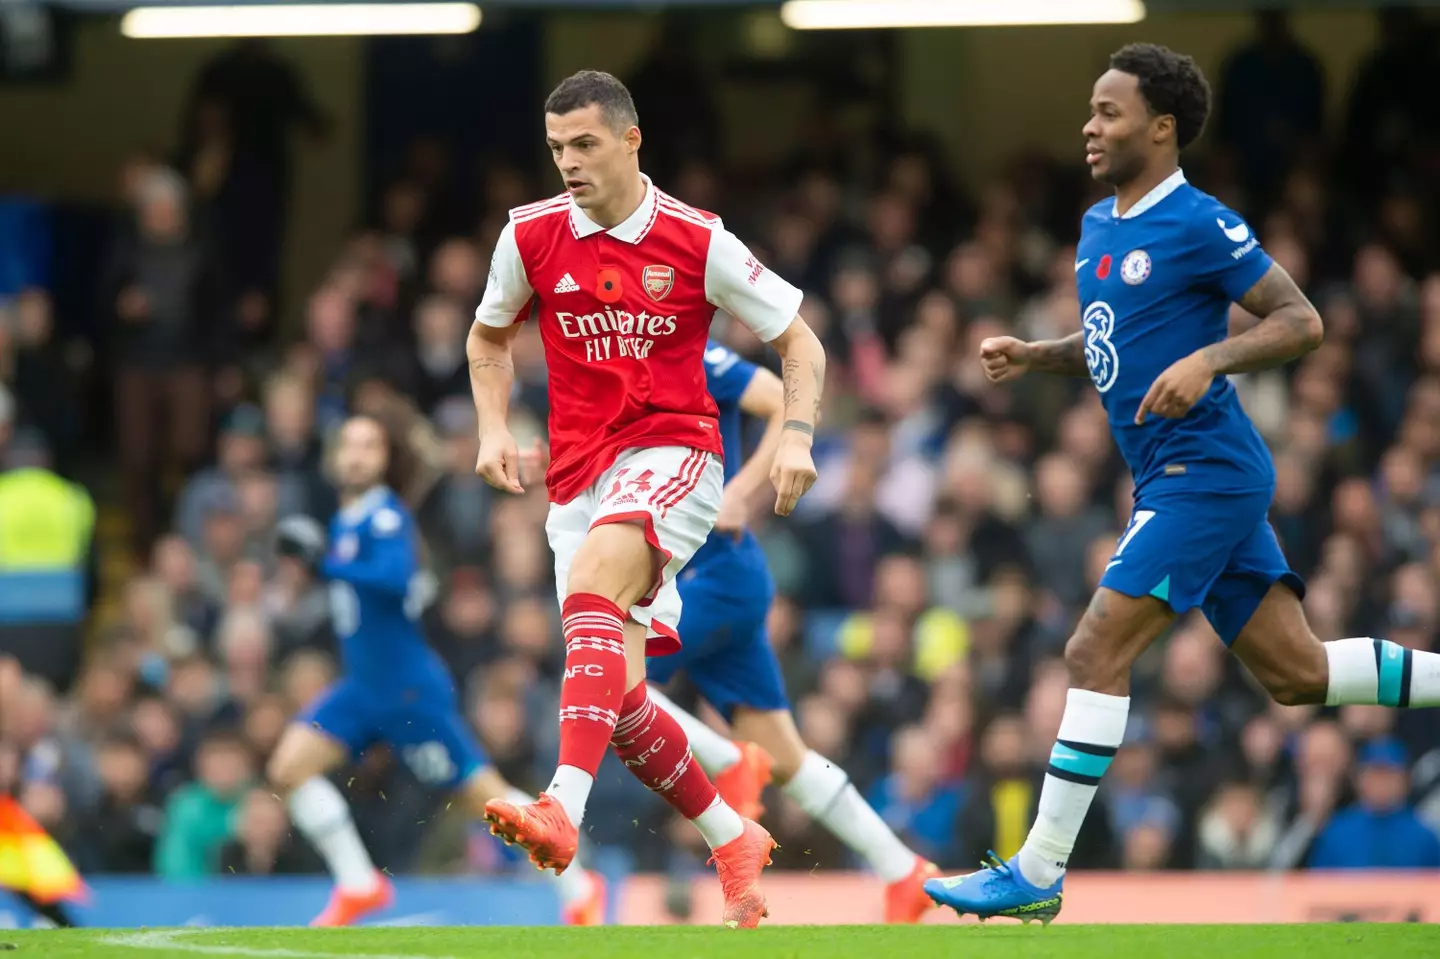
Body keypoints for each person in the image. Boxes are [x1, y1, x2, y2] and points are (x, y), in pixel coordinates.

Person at [925, 43, 1440, 924]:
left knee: (1093, 652)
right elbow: (1113, 344)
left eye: (1110, 112)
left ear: (1162, 130)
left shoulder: (1200, 222)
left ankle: (1040, 869)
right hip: (1180, 474)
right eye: (1091, 110)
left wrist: (1212, 356)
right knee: (1298, 672)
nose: (1090, 125)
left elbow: (1301, 321)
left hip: (1205, 472)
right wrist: (1039, 354)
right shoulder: (1098, 226)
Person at [468, 70, 826, 929]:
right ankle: (732, 833)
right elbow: (488, 335)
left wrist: (801, 435)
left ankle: (561, 806)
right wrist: (489, 427)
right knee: (619, 700)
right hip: (577, 476)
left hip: (675, 454)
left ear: (632, 141)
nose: (568, 163)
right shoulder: (529, 237)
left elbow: (800, 343)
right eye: (556, 148)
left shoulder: (697, 240)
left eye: (584, 144)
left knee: (594, 587)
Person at [521, 340, 937, 922]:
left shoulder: (690, 350)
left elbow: (779, 399)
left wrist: (741, 492)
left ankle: (724, 761)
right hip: (714, 577)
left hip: (712, 574)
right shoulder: (610, 353)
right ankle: (902, 870)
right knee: (785, 754)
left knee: (605, 677)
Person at [265, 415, 603, 927]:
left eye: (369, 445)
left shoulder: (386, 517)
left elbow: (397, 579)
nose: (356, 455)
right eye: (349, 445)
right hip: (361, 688)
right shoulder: (348, 518)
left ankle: (578, 884)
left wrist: (324, 565)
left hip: (407, 692)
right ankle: (358, 883)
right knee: (286, 771)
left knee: (481, 798)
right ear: (335, 458)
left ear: (385, 460)